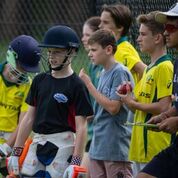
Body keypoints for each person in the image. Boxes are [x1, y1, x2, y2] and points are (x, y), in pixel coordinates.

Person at [6, 25, 93, 178]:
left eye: (57, 52)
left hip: (63, 144)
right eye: (50, 52)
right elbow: (29, 118)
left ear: (71, 52)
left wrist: (75, 162)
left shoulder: (77, 85)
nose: (52, 56)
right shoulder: (39, 80)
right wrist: (16, 152)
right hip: (38, 142)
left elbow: (82, 126)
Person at [117, 11, 174, 177]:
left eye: (143, 34)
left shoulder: (165, 67)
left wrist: (132, 103)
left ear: (157, 38)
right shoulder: (149, 68)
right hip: (140, 149)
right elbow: (139, 109)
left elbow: (164, 107)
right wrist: (128, 97)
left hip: (156, 148)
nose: (138, 39)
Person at [79, 29, 134, 178]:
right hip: (98, 147)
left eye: (94, 50)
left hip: (114, 147)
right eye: (89, 50)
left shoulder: (119, 72)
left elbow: (113, 108)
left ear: (108, 49)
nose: (89, 54)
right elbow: (101, 108)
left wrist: (89, 85)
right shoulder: (103, 73)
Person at [136, 3, 178, 178]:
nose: (166, 32)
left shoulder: (165, 66)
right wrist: (166, 115)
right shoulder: (177, 64)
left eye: (170, 27)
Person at [0, 35, 41, 177]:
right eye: (20, 68)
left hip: (10, 143)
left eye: (25, 70)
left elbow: (24, 120)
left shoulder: (27, 85)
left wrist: (6, 147)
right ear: (11, 56)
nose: (21, 74)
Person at [99, 3, 146, 85]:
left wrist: (137, 94)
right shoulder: (117, 47)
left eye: (105, 22)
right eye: (101, 21)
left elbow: (143, 69)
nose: (100, 26)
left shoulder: (122, 50)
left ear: (120, 27)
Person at [81, 16, 103, 178]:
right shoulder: (92, 65)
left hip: (99, 131)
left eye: (87, 35)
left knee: (82, 173)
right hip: (91, 130)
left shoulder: (102, 66)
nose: (83, 39)